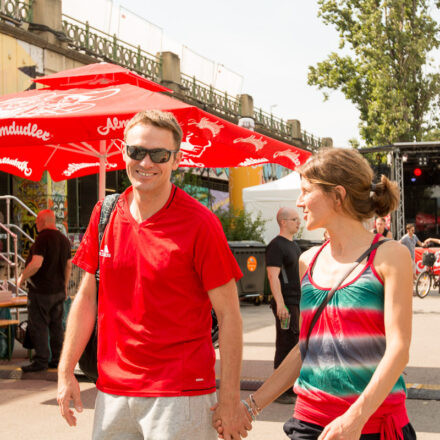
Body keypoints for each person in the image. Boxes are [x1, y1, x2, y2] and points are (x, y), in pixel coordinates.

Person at [57, 110, 249, 440]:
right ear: (123, 152)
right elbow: (87, 296)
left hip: (180, 393)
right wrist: (65, 371)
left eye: (159, 154)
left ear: (176, 160)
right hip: (113, 391)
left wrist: (230, 397)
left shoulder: (200, 224)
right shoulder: (104, 213)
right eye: (136, 151)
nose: (146, 162)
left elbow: (230, 316)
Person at [218, 148, 416, 439]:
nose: (298, 202)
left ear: (338, 195)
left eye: (306, 191)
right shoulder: (307, 261)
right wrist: (250, 407)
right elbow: (304, 349)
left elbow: (399, 349)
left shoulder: (391, 256)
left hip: (373, 425)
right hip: (309, 424)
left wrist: (355, 417)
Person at [18, 209, 72, 372]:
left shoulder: (42, 239)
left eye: (37, 221)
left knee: (38, 325)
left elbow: (36, 263)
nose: (35, 224)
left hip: (41, 291)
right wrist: (65, 285)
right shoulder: (64, 240)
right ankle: (57, 359)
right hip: (58, 291)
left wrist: (22, 278)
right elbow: (69, 265)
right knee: (56, 326)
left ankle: (41, 360)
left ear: (42, 221)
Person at [265, 207, 301, 404]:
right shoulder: (276, 246)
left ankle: (290, 386)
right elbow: (273, 276)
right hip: (286, 303)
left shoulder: (293, 246)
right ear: (284, 222)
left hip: (296, 301)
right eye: (295, 219)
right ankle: (281, 391)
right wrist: (280, 304)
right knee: (285, 344)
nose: (299, 222)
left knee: (294, 343)